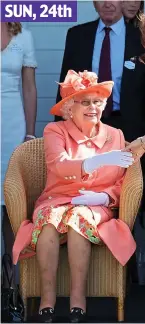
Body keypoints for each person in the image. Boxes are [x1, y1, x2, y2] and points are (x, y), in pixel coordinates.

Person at [12, 70, 135, 323]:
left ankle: (78, 300)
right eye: (85, 101)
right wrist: (98, 161)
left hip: (94, 204)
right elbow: (59, 165)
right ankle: (47, 300)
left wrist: (102, 198)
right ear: (70, 107)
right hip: (56, 199)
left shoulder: (116, 135)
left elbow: (123, 182)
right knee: (48, 221)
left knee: (77, 221)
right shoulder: (54, 131)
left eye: (97, 102)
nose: (93, 108)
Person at [55, 1, 145, 143]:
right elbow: (65, 86)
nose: (107, 4)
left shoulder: (140, 36)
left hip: (131, 129)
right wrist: (60, 128)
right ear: (94, 3)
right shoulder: (77, 35)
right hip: (84, 126)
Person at [1, 22, 37, 255]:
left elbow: (30, 88)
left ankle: (11, 280)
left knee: (11, 201)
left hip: (12, 127)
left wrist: (30, 133)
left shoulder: (24, 36)